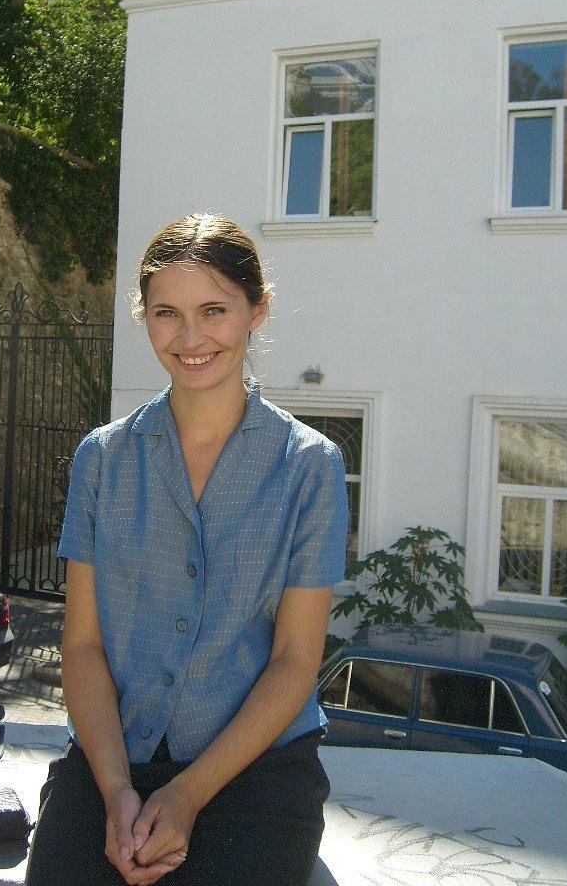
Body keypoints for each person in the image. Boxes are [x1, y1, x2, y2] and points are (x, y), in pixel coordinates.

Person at [25, 214, 348, 886]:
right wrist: (117, 792)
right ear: (144, 317)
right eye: (166, 313)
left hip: (257, 767)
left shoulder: (309, 467)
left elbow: (295, 660)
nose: (191, 337)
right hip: (112, 758)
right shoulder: (102, 459)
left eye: (214, 311)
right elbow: (82, 646)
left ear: (258, 309)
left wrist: (187, 795)